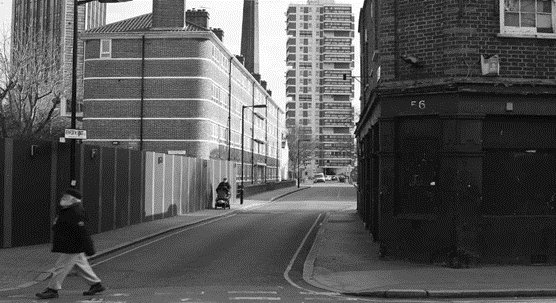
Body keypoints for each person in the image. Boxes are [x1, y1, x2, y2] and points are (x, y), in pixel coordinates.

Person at [36, 188, 106, 299]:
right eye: (63, 197)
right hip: (70, 244)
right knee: (81, 265)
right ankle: (96, 284)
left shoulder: (76, 212)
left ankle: (52, 290)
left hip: (73, 246)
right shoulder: (68, 209)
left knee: (61, 267)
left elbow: (82, 232)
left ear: (73, 200)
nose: (62, 199)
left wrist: (89, 248)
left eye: (66, 197)